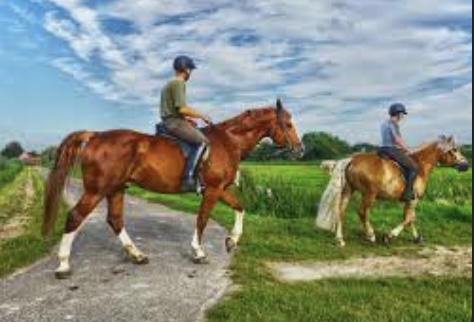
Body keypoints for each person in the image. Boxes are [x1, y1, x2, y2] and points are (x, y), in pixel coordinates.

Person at [160, 55, 212, 191]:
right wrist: (202, 115)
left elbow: (174, 109)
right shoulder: (179, 83)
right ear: (186, 70)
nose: (191, 73)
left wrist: (187, 119)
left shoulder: (169, 83)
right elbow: (182, 108)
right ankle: (188, 179)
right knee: (203, 142)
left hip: (171, 120)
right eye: (190, 70)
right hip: (174, 123)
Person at [379, 103, 419, 202]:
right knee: (413, 167)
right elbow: (397, 139)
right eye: (402, 114)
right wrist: (407, 149)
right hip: (391, 149)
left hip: (382, 148)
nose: (403, 116)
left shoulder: (384, 123)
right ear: (397, 113)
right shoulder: (393, 124)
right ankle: (407, 193)